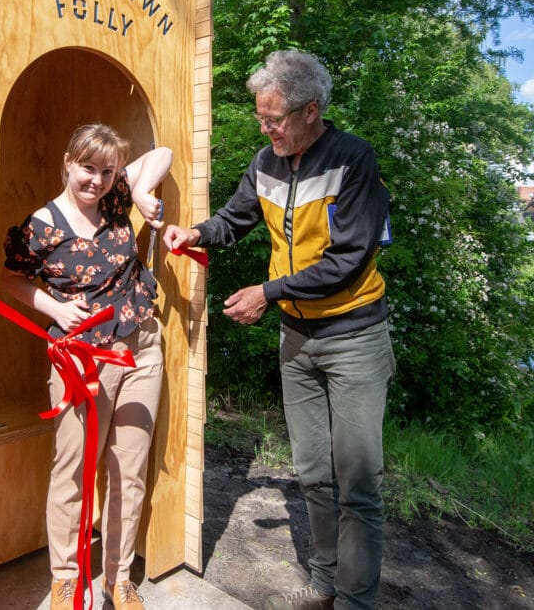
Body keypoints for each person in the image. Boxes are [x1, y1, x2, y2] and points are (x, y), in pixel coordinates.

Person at [163, 50, 396, 610]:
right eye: (260, 118)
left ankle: (357, 601)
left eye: (275, 119)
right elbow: (235, 219)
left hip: (354, 339)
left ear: (311, 111)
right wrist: (193, 233)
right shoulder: (266, 161)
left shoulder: (353, 162)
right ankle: (322, 584)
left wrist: (267, 294)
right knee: (314, 473)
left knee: (357, 480)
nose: (265, 129)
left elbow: (348, 260)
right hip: (298, 340)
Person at [3, 124, 172, 610]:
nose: (96, 181)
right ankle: (65, 580)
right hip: (81, 363)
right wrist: (54, 309)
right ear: (67, 162)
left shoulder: (118, 198)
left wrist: (138, 188)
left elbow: (164, 153)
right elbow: (12, 279)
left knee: (130, 470)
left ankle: (119, 580)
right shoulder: (41, 226)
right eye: (87, 169)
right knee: (73, 471)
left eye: (106, 171)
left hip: (141, 349)